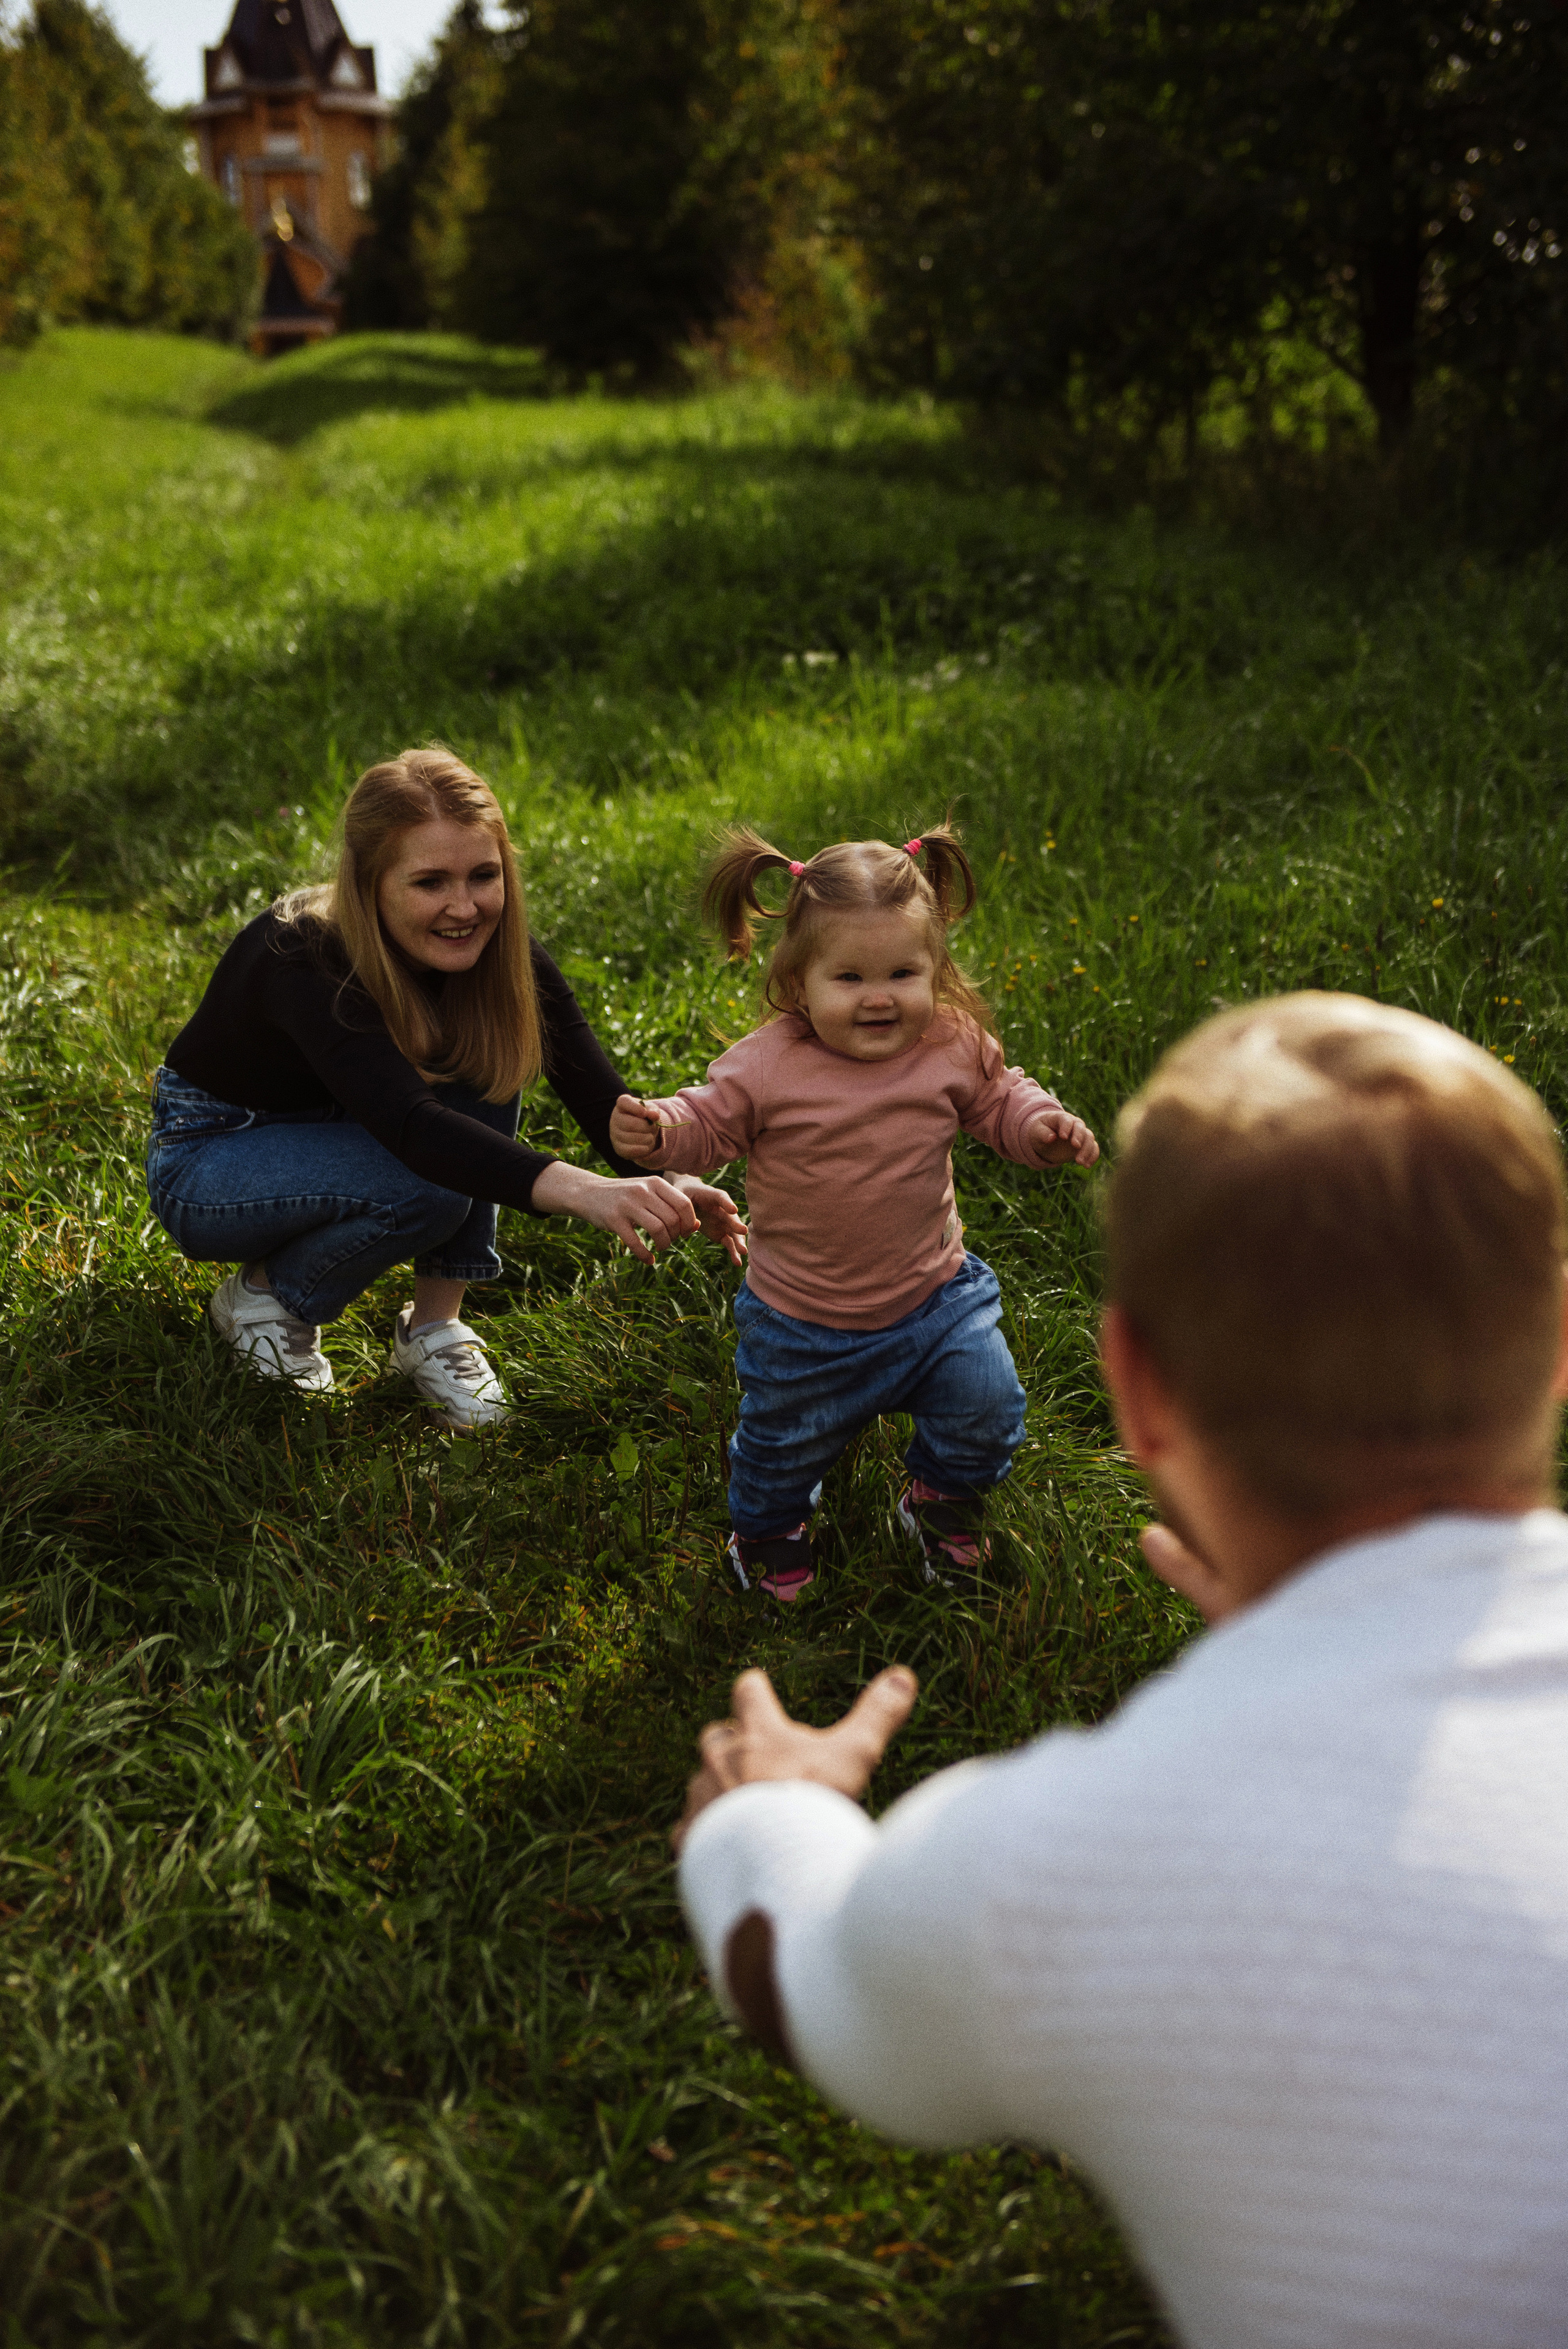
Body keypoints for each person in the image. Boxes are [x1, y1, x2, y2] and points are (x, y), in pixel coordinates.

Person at [674, 992, 1568, 2348]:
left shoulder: (1054, 1861)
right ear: (1556, 1345)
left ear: (1134, 1389)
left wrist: (766, 1818)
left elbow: (827, 2000)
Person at [146, 747, 744, 1428]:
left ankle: (432, 1328)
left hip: (349, 1129)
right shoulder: (304, 957)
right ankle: (266, 1297)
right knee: (428, 1187)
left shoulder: (494, 954)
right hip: (214, 1156)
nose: (465, 907)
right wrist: (587, 1193)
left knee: (488, 1051)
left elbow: (598, 1098)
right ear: (370, 884)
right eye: (430, 882)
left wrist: (664, 1179)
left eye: (483, 875)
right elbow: (415, 1131)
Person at [608, 822, 1098, 1601]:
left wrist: (1038, 1129)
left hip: (936, 1298)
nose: (880, 998)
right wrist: (660, 1130)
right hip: (802, 1319)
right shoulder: (767, 1067)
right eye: (849, 979)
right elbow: (708, 1123)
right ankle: (767, 1534)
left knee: (988, 1407)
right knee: (781, 1447)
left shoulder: (950, 1044)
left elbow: (1001, 1097)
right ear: (798, 983)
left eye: (904, 972)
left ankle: (939, 1502)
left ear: (935, 970)